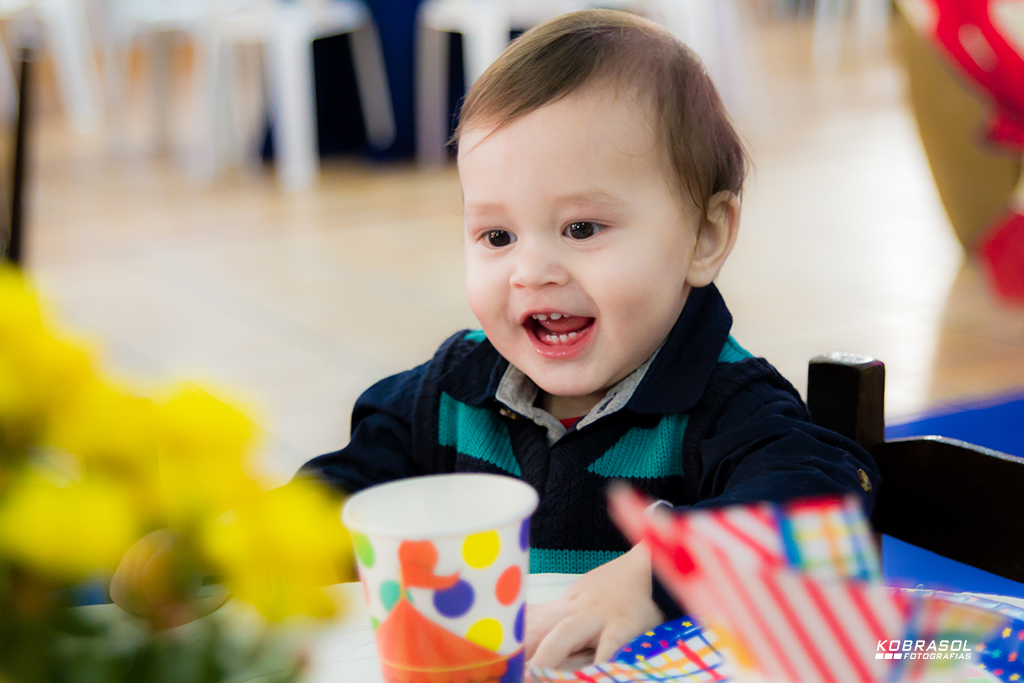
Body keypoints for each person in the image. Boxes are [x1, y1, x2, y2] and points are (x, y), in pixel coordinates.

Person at [112, 8, 879, 669]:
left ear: (706, 237)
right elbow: (348, 494)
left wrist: (658, 573)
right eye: (496, 234)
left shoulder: (726, 401)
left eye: (582, 227)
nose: (532, 271)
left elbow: (817, 514)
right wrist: (238, 549)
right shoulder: (452, 392)